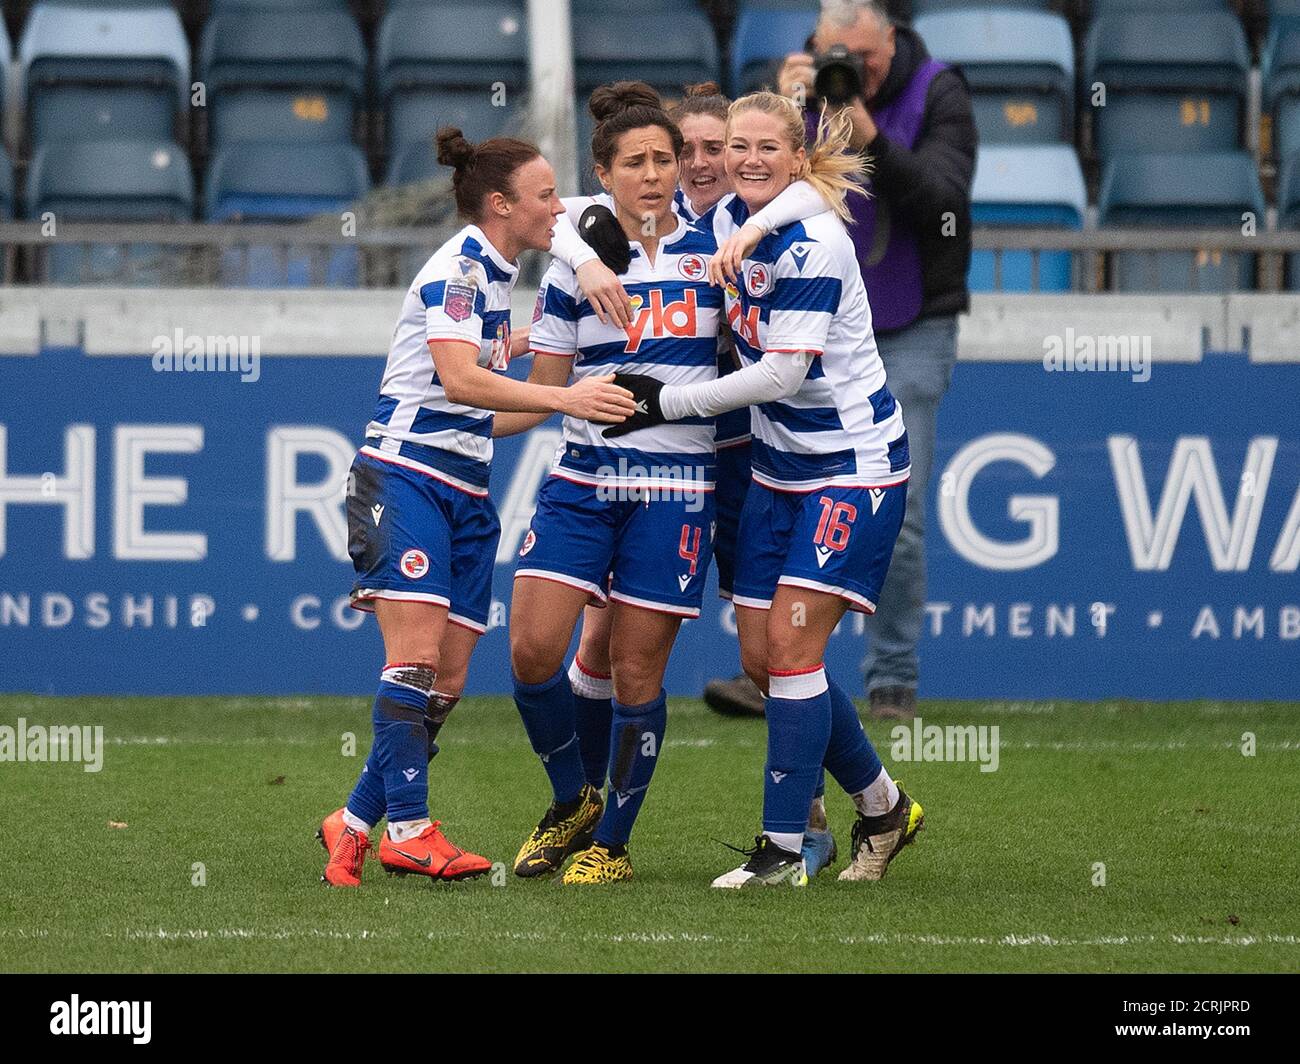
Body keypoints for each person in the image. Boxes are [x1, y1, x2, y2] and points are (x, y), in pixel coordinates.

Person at [608, 91, 924, 887]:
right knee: (765, 657)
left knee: (790, 652)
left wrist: (664, 401)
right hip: (777, 470)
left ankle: (784, 848)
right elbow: (614, 205)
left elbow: (783, 372)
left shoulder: (815, 242)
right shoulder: (727, 221)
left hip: (850, 465)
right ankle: (883, 809)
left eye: (764, 149)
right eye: (732, 146)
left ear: (798, 156)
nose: (743, 160)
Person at [317, 128, 635, 888]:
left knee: (449, 679)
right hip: (405, 480)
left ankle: (354, 821)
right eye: (546, 195)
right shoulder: (459, 270)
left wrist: (555, 342)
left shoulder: (493, 274)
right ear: (501, 204)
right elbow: (459, 381)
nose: (560, 209)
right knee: (415, 661)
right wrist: (566, 394)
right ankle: (413, 830)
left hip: (463, 489)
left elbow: (484, 372)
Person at [705, 0, 976, 721]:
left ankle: (891, 675)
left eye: (866, 56)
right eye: (836, 56)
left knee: (903, 505)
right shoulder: (797, 101)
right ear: (817, 48)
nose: (854, 69)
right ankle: (781, 665)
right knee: (778, 492)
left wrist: (870, 134)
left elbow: (946, 202)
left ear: (890, 40)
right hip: (797, 322)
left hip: (908, 318)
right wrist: (794, 98)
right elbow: (757, 179)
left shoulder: (939, 89)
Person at [498, 82, 731, 885]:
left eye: (666, 160)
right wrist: (456, 421)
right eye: (636, 162)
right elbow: (545, 388)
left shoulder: (718, 249)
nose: (656, 174)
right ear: (605, 171)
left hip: (676, 491)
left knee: (637, 673)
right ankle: (573, 800)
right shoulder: (574, 265)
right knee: (531, 650)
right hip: (585, 477)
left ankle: (614, 846)